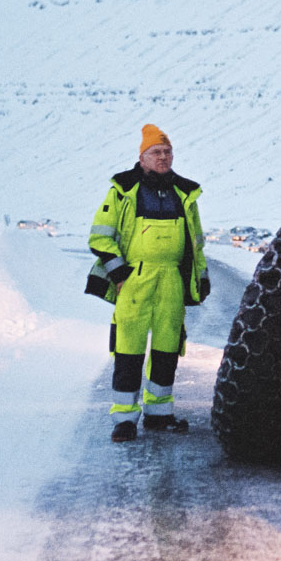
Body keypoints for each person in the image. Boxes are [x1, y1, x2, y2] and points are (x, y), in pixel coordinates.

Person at [87, 124, 209, 442]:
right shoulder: (122, 191)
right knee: (128, 350)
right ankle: (124, 419)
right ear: (142, 157)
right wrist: (119, 274)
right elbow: (100, 237)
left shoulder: (183, 194)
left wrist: (201, 277)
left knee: (168, 348)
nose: (164, 157)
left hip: (171, 279)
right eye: (157, 152)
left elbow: (196, 243)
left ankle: (158, 414)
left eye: (168, 152)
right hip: (134, 280)